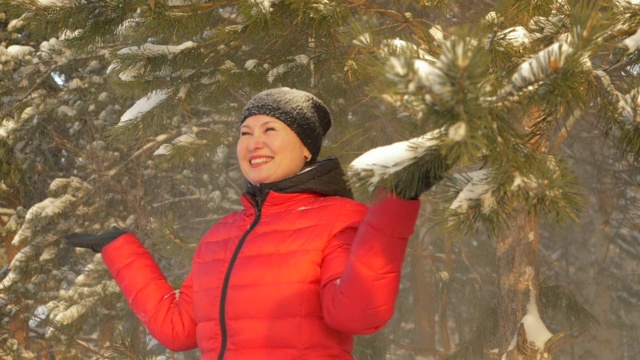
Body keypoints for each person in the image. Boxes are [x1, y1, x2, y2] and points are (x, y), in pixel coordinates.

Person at [64, 87, 444, 359]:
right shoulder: (222, 235)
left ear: (307, 147)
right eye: (245, 132)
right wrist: (120, 248)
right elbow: (179, 329)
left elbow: (357, 313)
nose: (253, 143)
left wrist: (396, 204)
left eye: (270, 130)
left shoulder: (339, 218)